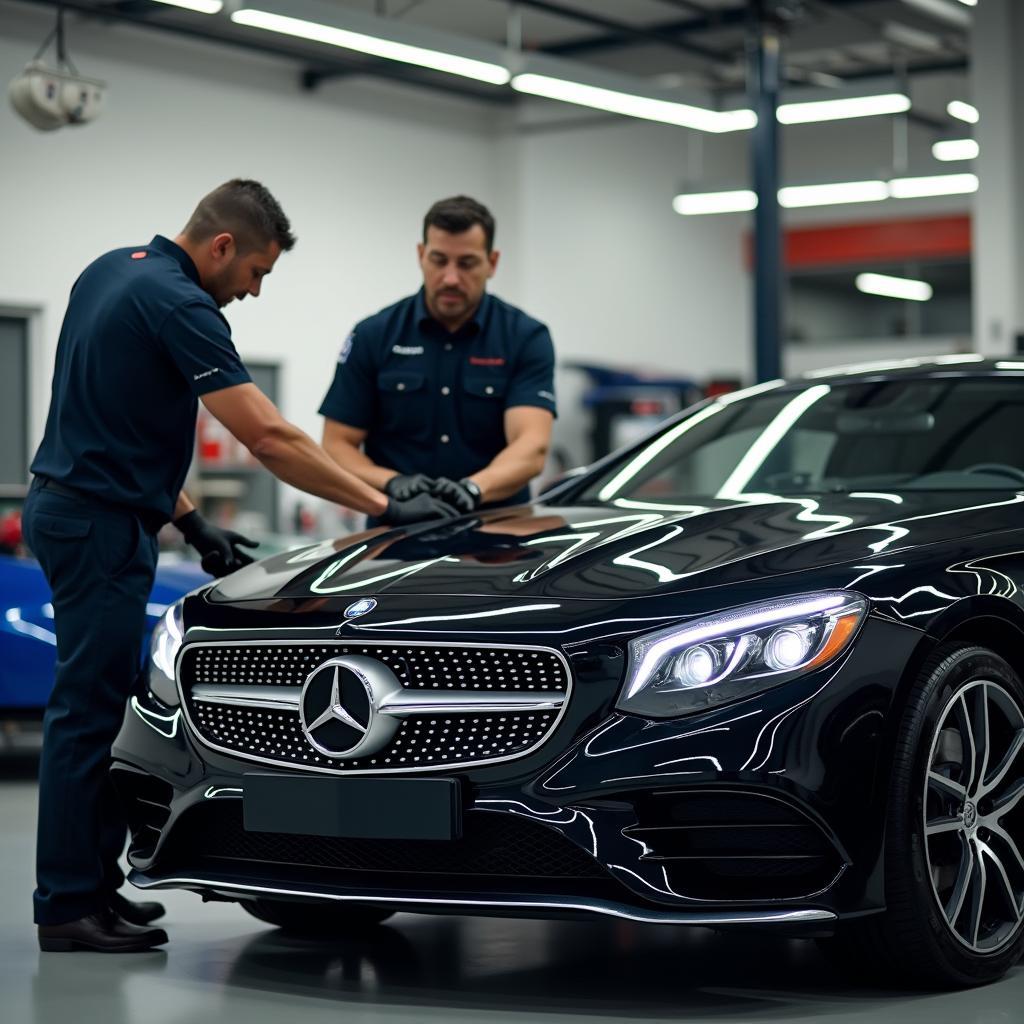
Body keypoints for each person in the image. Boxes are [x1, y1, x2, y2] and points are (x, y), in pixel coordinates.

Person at [25, 179, 455, 954]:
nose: (253, 291)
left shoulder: (110, 270)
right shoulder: (182, 304)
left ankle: (93, 890)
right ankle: (64, 906)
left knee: (98, 707)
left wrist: (192, 522)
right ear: (221, 247)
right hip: (98, 525)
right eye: (256, 272)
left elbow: (111, 421)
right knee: (86, 715)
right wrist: (383, 504)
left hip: (86, 510)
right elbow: (270, 439)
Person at [319, 195, 557, 522]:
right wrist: (393, 483)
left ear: (493, 262)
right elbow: (336, 445)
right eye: (439, 260)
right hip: (395, 538)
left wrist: (475, 489)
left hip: (498, 542)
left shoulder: (525, 337)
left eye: (467, 263)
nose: (450, 278)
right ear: (421, 255)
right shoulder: (374, 335)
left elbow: (531, 447)